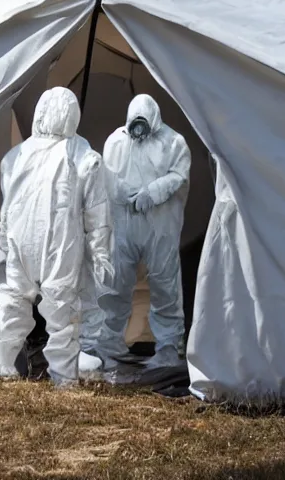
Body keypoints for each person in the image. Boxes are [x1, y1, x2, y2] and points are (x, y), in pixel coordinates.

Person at [0, 87, 112, 387]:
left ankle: (4, 366)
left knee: (15, 301)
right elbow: (97, 212)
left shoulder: (15, 157)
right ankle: (63, 379)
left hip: (21, 246)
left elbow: (6, 207)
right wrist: (100, 252)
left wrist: (5, 241)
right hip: (60, 247)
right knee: (63, 313)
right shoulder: (83, 155)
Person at [99, 94, 191, 372]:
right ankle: (108, 343)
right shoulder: (116, 141)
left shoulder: (173, 142)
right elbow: (106, 176)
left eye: (143, 123)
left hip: (160, 225)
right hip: (124, 224)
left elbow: (180, 175)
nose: (139, 130)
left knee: (165, 285)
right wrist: (121, 191)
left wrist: (154, 192)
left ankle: (168, 347)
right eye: (134, 124)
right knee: (115, 283)